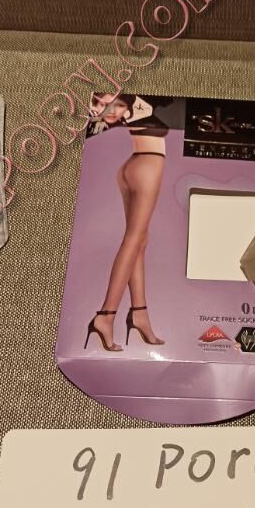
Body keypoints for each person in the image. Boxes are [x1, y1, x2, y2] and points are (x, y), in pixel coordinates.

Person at [84, 93, 167, 352]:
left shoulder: (139, 107)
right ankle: (105, 316)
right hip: (148, 165)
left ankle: (139, 314)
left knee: (139, 241)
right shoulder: (138, 108)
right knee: (134, 240)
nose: (110, 110)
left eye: (117, 104)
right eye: (101, 104)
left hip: (132, 166)